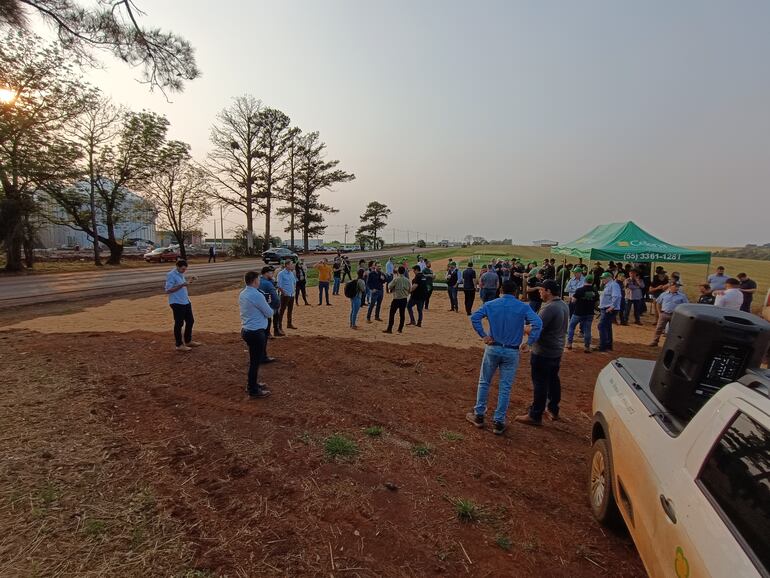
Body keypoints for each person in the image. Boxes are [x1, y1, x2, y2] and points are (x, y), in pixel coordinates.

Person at [466, 280, 543, 435]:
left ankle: (479, 415)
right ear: (516, 291)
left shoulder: (491, 304)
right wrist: (529, 342)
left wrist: (484, 335)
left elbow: (475, 318)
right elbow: (538, 323)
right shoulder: (523, 307)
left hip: (493, 347)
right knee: (505, 387)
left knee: (484, 382)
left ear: (501, 290)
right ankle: (499, 421)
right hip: (511, 351)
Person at [515, 279, 569, 426]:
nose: (539, 292)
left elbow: (535, 328)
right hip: (556, 350)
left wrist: (521, 326)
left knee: (540, 383)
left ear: (548, 291)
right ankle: (552, 409)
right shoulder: (563, 304)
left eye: (541, 290)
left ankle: (535, 414)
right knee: (553, 380)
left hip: (544, 352)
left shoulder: (549, 308)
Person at [239, 271, 274, 398]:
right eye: (258, 279)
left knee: (254, 359)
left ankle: (252, 384)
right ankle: (253, 389)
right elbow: (269, 313)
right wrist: (268, 303)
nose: (259, 281)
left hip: (247, 330)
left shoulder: (243, 293)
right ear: (254, 281)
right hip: (256, 332)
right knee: (255, 362)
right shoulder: (256, 295)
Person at [164, 259, 201, 352]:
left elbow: (183, 285)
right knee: (179, 323)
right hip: (176, 302)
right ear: (177, 267)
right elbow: (168, 290)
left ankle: (188, 341)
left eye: (185, 269)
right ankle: (179, 345)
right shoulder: (171, 275)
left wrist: (190, 281)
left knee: (190, 321)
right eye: (182, 269)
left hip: (185, 301)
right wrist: (182, 285)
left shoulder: (180, 274)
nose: (184, 271)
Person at [567, 274, 597, 353]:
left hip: (578, 312)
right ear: (592, 281)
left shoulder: (580, 290)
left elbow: (573, 301)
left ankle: (569, 343)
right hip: (589, 313)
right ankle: (587, 347)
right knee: (587, 330)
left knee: (571, 327)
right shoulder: (595, 291)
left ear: (585, 280)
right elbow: (597, 302)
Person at [597, 271, 621, 352]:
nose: (602, 280)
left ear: (609, 278)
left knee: (601, 326)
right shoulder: (609, 285)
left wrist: (612, 307)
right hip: (606, 308)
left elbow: (616, 296)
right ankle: (607, 345)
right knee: (607, 327)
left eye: (604, 278)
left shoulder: (613, 285)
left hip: (608, 309)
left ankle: (603, 346)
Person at [384, 266, 411, 333]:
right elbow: (409, 290)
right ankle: (400, 329)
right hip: (404, 299)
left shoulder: (396, 279)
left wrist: (394, 288)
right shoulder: (407, 280)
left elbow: (389, 286)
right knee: (402, 314)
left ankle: (389, 329)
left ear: (398, 271)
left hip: (396, 299)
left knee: (392, 314)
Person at [259, 266, 282, 337]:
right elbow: (274, 295)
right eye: (271, 273)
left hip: (265, 303)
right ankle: (269, 332)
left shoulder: (262, 280)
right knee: (270, 318)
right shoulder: (267, 283)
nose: (273, 274)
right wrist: (278, 303)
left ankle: (272, 331)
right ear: (266, 273)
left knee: (274, 316)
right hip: (269, 303)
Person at [276, 260, 297, 331]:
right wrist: (284, 293)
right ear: (287, 265)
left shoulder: (291, 273)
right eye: (291, 264)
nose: (293, 265)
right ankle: (279, 326)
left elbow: (294, 282)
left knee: (290, 310)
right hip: (285, 295)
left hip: (291, 294)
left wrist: (294, 290)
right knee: (281, 311)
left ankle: (289, 324)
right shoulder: (281, 274)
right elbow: (279, 285)